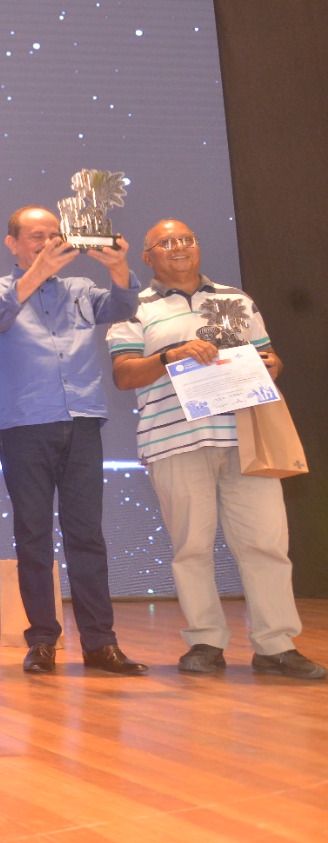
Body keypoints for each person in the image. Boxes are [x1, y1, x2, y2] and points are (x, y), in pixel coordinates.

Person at [107, 219, 323, 679]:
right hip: (174, 441)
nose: (179, 247)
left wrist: (272, 363)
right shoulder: (133, 306)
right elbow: (123, 374)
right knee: (192, 547)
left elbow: (269, 357)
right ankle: (205, 641)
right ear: (147, 256)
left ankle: (276, 645)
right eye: (166, 242)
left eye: (186, 239)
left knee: (266, 543)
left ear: (197, 247)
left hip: (247, 436)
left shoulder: (236, 299)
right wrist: (172, 355)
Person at [0, 207, 147, 675]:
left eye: (54, 235)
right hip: (25, 427)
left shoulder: (80, 289)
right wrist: (37, 273)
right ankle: (42, 640)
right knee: (33, 536)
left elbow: (123, 307)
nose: (48, 243)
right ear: (12, 243)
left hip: (83, 421)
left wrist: (117, 267)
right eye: (36, 236)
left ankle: (100, 643)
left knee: (86, 535)